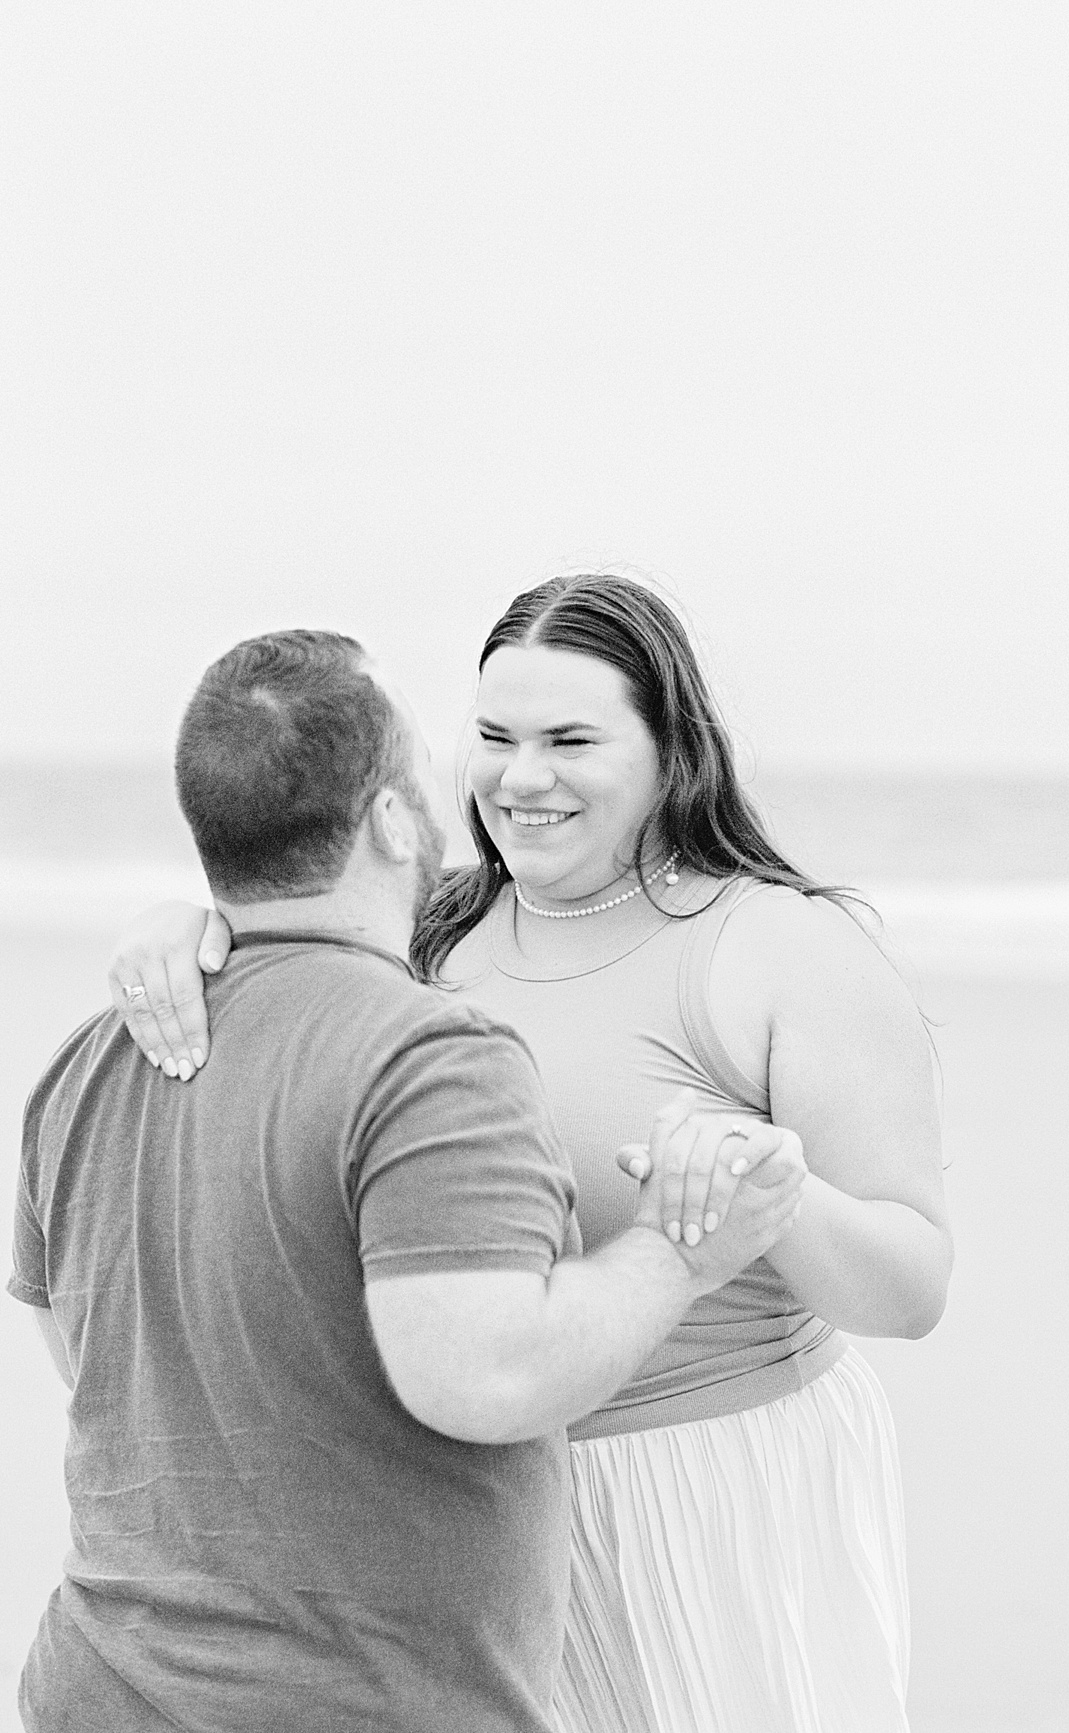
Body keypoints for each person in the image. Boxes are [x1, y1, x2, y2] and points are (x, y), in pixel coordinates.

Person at [107, 579, 954, 1733]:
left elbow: (911, 1290)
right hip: (468, 1514)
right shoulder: (422, 932)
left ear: (670, 750)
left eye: (571, 740)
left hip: (703, 1492)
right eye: (496, 738)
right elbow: (284, 942)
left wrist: (771, 1187)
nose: (522, 777)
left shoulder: (778, 947)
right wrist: (185, 928)